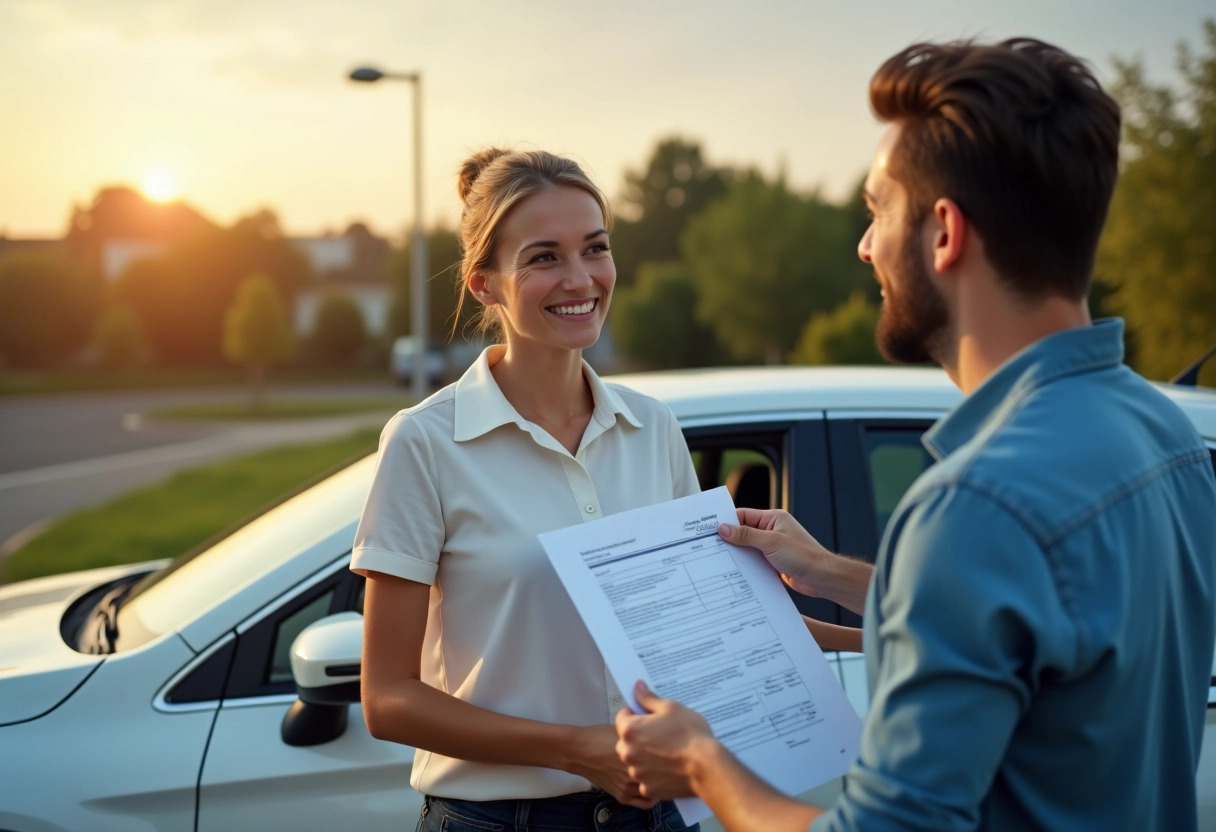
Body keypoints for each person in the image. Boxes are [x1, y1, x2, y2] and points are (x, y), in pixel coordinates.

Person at [614, 37, 1216, 831]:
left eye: (876, 209)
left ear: (943, 233)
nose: (865, 247)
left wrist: (701, 761)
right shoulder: (1166, 433)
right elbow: (1044, 637)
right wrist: (828, 570)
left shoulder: (974, 507)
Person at [352, 148, 700, 832]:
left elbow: (696, 622)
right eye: (544, 258)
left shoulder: (652, 427)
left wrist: (868, 625)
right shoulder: (425, 442)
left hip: (652, 817)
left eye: (594, 248)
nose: (581, 279)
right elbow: (387, 699)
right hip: (497, 822)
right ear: (484, 283)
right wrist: (576, 751)